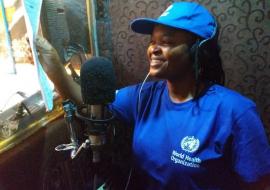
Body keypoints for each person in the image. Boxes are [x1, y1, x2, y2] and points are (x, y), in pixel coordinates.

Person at [36, 2, 270, 190]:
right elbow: (91, 100)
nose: (153, 49)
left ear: (200, 51)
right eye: (152, 42)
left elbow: (259, 184)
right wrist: (54, 68)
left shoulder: (236, 112)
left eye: (166, 42)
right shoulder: (143, 97)